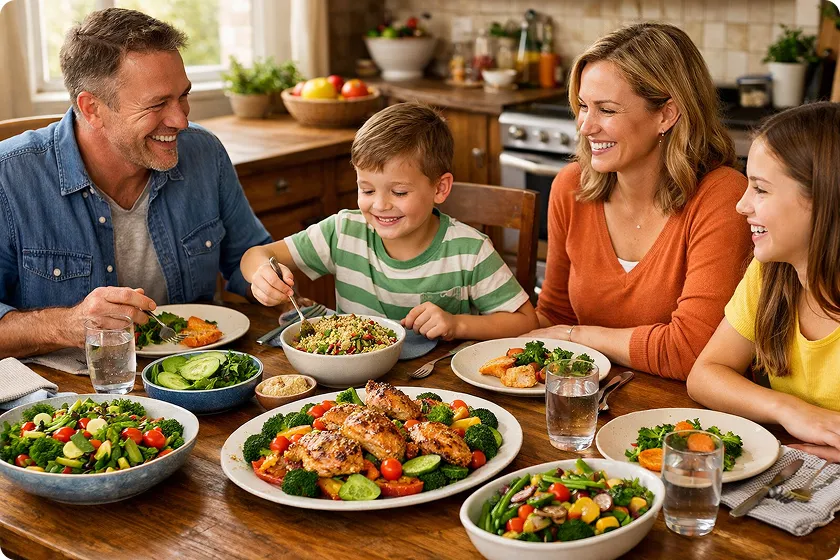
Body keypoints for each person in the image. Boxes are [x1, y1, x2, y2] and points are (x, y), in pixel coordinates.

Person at [0, 8, 271, 358]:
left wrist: (268, 277)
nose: (181, 120)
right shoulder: (9, 178)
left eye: (183, 96)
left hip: (202, 377)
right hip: (70, 398)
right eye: (157, 104)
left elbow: (247, 258)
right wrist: (69, 324)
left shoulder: (205, 153)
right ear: (92, 108)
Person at [525, 23, 752, 380]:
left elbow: (692, 350)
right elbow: (555, 315)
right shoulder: (571, 187)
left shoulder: (722, 196)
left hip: (684, 423)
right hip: (585, 406)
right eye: (583, 106)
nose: (585, 126)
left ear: (666, 114)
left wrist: (577, 337)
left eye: (608, 110)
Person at [241, 102, 538, 340]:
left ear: (440, 188)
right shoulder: (343, 231)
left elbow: (525, 322)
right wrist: (262, 276)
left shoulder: (469, 250)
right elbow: (256, 255)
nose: (380, 205)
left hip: (436, 392)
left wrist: (458, 324)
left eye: (399, 191)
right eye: (367, 189)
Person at [687, 102, 840, 460]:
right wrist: (791, 410)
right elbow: (705, 375)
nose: (741, 205)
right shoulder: (771, 274)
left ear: (822, 199)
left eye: (760, 189)